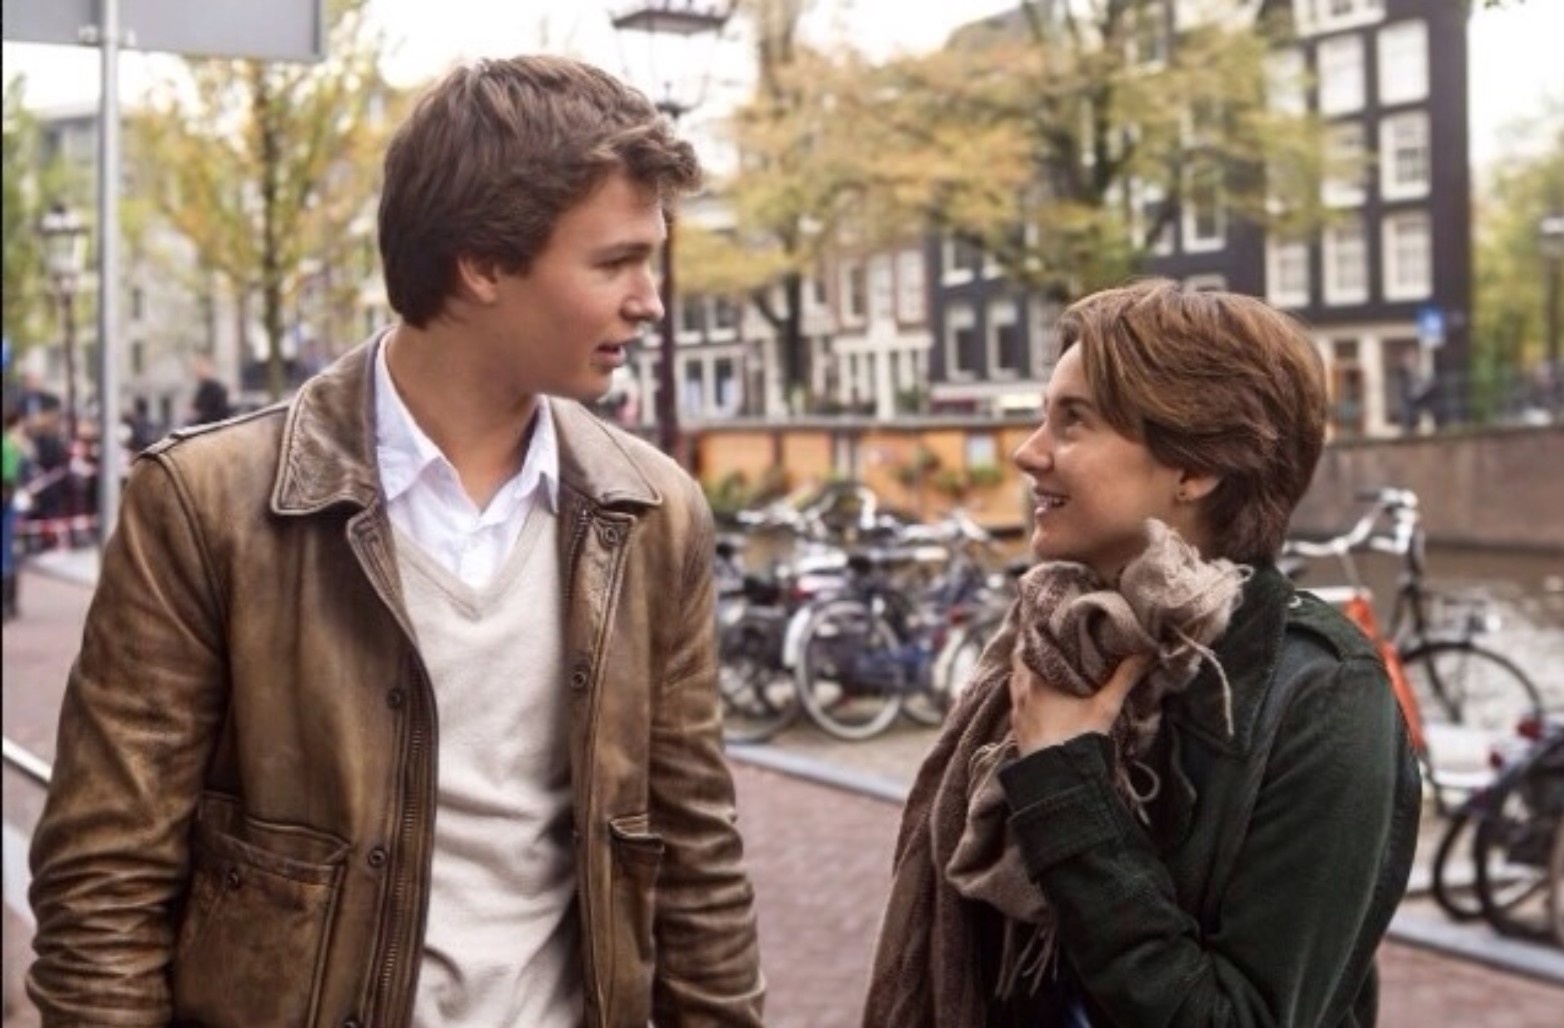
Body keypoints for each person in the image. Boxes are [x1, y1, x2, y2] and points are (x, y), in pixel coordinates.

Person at [28, 55, 765, 1027]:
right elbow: (104, 884)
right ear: (484, 263)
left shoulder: (654, 512)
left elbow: (696, 860)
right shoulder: (207, 504)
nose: (649, 298)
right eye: (613, 262)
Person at [863, 279, 1420, 1026]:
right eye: (1043, 417)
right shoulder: (1058, 645)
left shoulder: (1322, 696)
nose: (1028, 453)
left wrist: (1066, 783)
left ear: (1195, 468)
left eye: (1074, 422)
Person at [187, 353, 231, 425]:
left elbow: (220, 414)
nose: (198, 371)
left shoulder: (218, 389)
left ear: (210, 368)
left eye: (201, 368)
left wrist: (198, 416)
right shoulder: (201, 388)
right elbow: (196, 407)